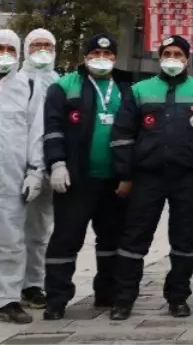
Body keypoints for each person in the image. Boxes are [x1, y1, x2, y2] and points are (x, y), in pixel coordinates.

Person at [110, 35, 193, 320]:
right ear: (159, 56)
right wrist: (125, 174)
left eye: (177, 53)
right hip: (147, 177)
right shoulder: (141, 90)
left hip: (187, 178)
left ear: (187, 58)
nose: (172, 58)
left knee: (184, 240)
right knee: (135, 237)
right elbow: (123, 134)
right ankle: (124, 299)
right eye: (167, 52)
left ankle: (178, 297)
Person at [41, 33, 129, 319]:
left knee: (112, 241)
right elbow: (52, 128)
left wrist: (130, 174)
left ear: (115, 58)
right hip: (76, 179)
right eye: (95, 54)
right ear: (85, 56)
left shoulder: (127, 89)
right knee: (66, 239)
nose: (101, 59)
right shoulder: (65, 86)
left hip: (115, 181)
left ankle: (107, 294)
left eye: (108, 55)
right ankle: (56, 300)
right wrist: (57, 163)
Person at [0, 29, 45, 324]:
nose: (5, 54)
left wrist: (35, 171)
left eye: (10, 49)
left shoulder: (28, 86)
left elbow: (36, 133)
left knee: (11, 239)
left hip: (11, 177)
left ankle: (8, 299)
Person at [16, 29, 57, 311]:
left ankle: (34, 283)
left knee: (40, 230)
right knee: (12, 229)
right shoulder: (17, 82)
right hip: (17, 166)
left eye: (47, 45)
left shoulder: (59, 83)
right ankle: (11, 285)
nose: (42, 50)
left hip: (49, 165)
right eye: (36, 45)